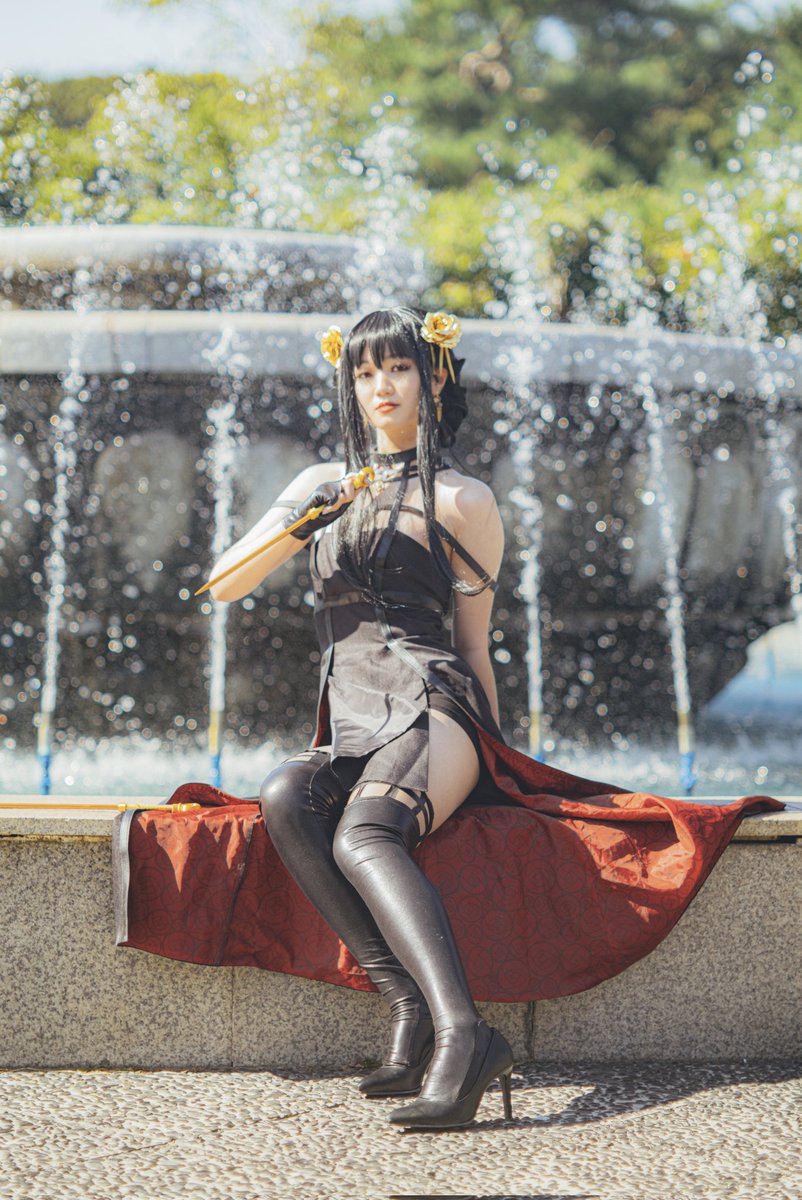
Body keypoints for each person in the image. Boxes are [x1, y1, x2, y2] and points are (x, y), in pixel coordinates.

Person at [208, 305, 514, 1130]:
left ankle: (465, 1036)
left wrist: (500, 760)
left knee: (364, 834)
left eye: (400, 367)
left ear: (434, 377)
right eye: (366, 371)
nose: (382, 386)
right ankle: (405, 1002)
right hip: (352, 711)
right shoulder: (321, 484)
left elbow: (473, 646)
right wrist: (309, 519)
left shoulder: (465, 499)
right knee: (285, 795)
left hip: (434, 705)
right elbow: (225, 584)